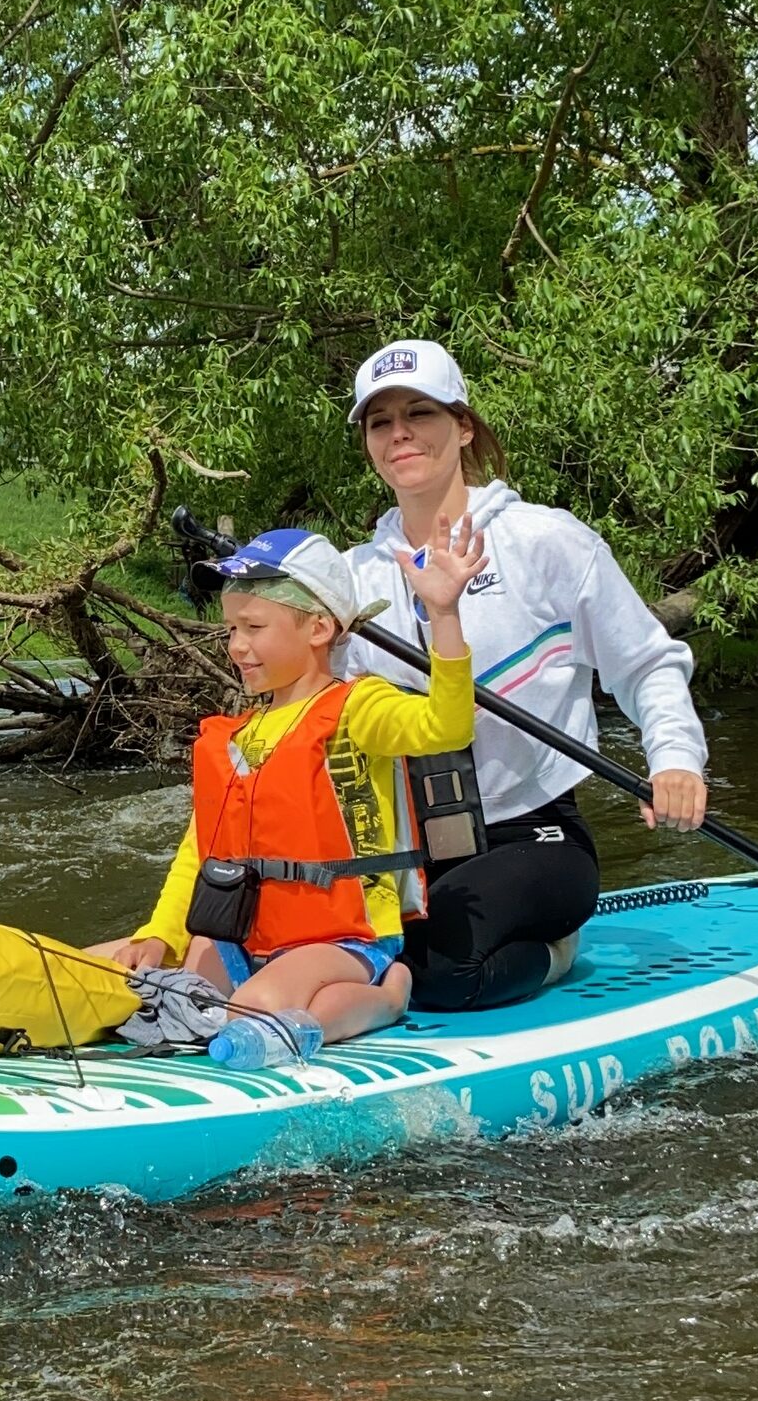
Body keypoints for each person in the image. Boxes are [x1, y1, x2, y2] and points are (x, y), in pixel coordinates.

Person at [342, 338, 710, 1010]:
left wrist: (676, 760)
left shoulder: (548, 541)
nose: (399, 433)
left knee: (432, 973)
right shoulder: (352, 578)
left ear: (463, 426)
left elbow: (647, 663)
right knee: (350, 958)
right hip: (414, 844)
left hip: (535, 832)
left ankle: (556, 951)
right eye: (379, 421)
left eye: (419, 412)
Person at [89, 523, 484, 1044]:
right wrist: (159, 935)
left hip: (343, 940)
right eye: (232, 629)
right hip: (243, 937)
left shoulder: (358, 708)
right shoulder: (243, 733)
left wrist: (444, 614)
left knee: (254, 1010)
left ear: (318, 629)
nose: (237, 646)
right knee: (97, 975)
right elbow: (199, 853)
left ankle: (388, 995)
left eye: (253, 627)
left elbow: (447, 726)